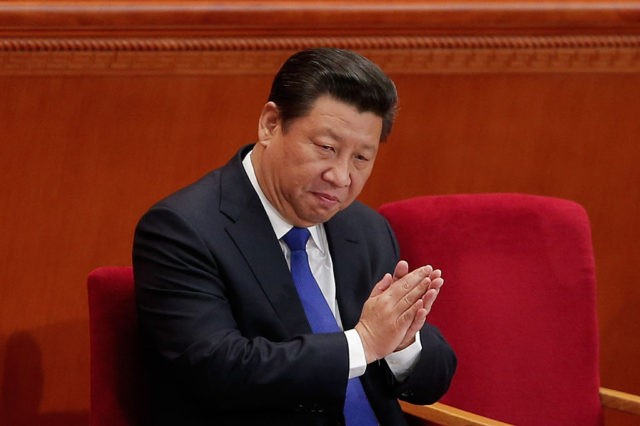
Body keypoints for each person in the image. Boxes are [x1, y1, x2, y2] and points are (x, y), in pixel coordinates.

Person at [133, 47, 456, 426]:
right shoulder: (182, 229)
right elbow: (218, 370)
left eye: (361, 158)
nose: (341, 176)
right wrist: (364, 343)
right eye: (326, 148)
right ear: (271, 124)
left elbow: (432, 381)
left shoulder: (364, 229)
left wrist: (402, 343)